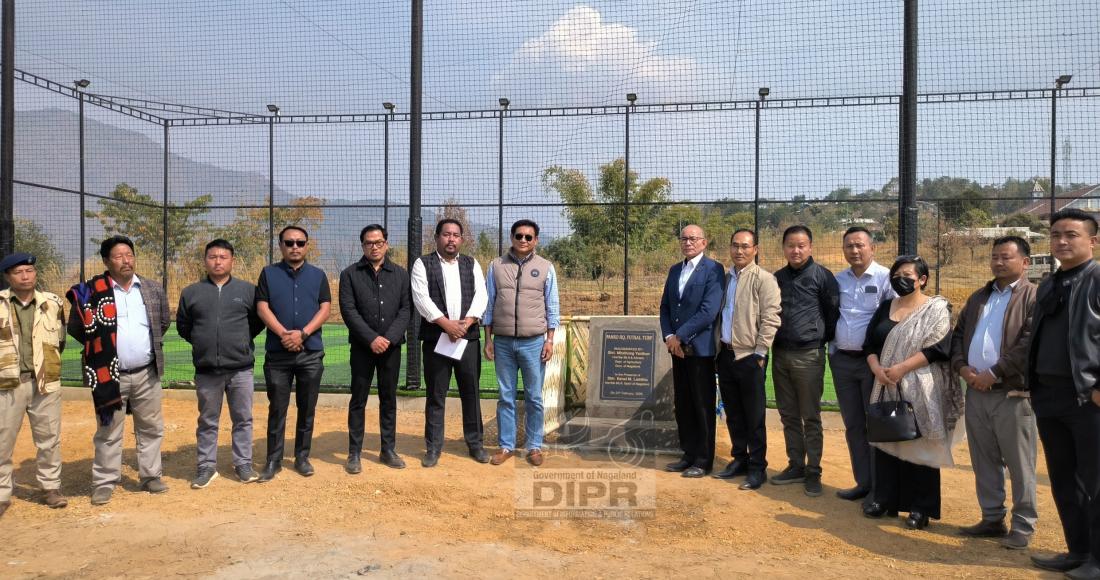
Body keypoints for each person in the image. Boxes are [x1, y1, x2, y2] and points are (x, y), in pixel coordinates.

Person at [67, 235, 171, 506]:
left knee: (151, 427)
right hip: (108, 375)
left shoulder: (151, 289)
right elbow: (77, 328)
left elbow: (162, 323)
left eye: (129, 255)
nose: (126, 260)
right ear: (106, 261)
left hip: (146, 372)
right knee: (108, 430)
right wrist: (102, 350)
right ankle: (104, 481)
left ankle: (151, 476)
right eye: (118, 256)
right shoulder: (91, 293)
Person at [950, 236, 1038, 550]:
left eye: (1006, 257)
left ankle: (1023, 526)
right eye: (995, 257)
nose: (998, 262)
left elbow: (1028, 343)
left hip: (1011, 393)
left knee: (1020, 462)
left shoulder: (1033, 297)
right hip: (976, 391)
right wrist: (963, 369)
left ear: (1025, 262)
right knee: (983, 458)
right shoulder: (978, 297)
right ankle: (992, 518)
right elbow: (958, 336)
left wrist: (994, 372)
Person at [861, 255, 961, 530]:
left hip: (920, 385)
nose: (900, 280)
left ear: (922, 279)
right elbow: (869, 344)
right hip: (885, 384)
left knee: (921, 445)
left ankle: (921, 507)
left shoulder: (935, 309)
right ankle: (885, 500)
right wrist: (878, 369)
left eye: (907, 275)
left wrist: (902, 368)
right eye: (896, 275)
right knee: (888, 440)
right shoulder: (886, 307)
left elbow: (938, 348)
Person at [1026, 209, 1100, 578]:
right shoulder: (1049, 283)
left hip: (1087, 398)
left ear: (1093, 240)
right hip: (1049, 395)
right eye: (1056, 234)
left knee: (1096, 482)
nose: (1061, 241)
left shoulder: (1097, 278)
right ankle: (1078, 550)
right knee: (1064, 479)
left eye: (1071, 234)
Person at [177, 239, 265, 488]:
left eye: (223, 257)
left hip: (240, 368)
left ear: (232, 261)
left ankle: (243, 464)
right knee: (207, 420)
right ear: (205, 260)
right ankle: (206, 466)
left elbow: (256, 323)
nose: (218, 261)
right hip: (207, 370)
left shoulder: (248, 291)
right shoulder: (191, 292)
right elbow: (184, 326)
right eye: (212, 257)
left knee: (243, 419)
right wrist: (202, 341)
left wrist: (239, 342)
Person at [410, 219, 489, 467]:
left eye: (456, 235)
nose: (451, 239)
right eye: (446, 234)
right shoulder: (422, 264)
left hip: (467, 338)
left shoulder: (471, 263)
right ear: (437, 237)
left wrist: (466, 323)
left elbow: (481, 295)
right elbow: (421, 299)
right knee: (436, 395)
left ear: (461, 239)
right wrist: (447, 325)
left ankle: (475, 444)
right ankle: (433, 447)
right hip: (437, 339)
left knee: (471, 393)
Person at [255, 226, 332, 482]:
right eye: (289, 243)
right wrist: (284, 335)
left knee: (306, 407)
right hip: (278, 354)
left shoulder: (318, 275)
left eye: (300, 242)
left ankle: (302, 457)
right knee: (277, 408)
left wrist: (303, 334)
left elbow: (325, 308)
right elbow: (262, 307)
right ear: (281, 246)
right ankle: (273, 460)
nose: (295, 247)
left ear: (307, 245)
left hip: (310, 353)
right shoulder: (268, 273)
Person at [484, 219, 560, 467]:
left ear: (536, 240)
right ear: (512, 238)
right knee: (505, 396)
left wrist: (550, 340)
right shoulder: (496, 266)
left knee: (534, 397)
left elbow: (552, 306)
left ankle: (534, 446)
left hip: (534, 342)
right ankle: (506, 446)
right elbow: (489, 304)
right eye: (519, 236)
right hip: (503, 342)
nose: (523, 240)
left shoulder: (546, 267)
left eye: (529, 237)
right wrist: (488, 339)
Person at [771, 225, 840, 496]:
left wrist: (817, 338)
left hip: (809, 355)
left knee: (810, 416)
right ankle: (796, 465)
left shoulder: (822, 276)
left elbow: (832, 313)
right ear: (784, 248)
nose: (796, 250)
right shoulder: (777, 278)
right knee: (788, 414)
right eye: (790, 245)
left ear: (810, 247)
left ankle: (814, 470)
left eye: (801, 245)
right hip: (780, 354)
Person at [712, 229, 782, 490]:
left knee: (754, 416)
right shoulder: (725, 278)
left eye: (745, 246)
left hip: (750, 357)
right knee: (733, 413)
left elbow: (771, 318)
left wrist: (760, 353)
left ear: (755, 249)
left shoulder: (764, 279)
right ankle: (739, 458)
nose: (739, 251)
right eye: (735, 245)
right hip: (725, 354)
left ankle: (757, 467)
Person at [831, 226, 895, 503]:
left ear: (873, 248)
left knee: (876, 425)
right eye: (849, 246)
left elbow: (894, 318)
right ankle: (863, 483)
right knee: (854, 425)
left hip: (873, 364)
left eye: (860, 245)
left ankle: (880, 489)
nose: (854, 250)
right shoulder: (837, 280)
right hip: (842, 362)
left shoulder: (886, 279)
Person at [339, 224, 411, 472]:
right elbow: (349, 310)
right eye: (369, 243)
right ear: (363, 246)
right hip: (362, 348)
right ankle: (354, 453)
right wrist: (371, 338)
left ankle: (388, 450)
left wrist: (388, 338)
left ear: (386, 244)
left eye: (379, 242)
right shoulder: (349, 274)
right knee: (358, 399)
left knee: (388, 399)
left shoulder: (401, 274)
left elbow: (406, 310)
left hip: (391, 348)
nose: (374, 247)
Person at [0, 253, 67, 517]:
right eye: (18, 272)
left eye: (29, 271)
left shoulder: (53, 303)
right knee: (3, 441)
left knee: (49, 439)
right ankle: (2, 493)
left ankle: (51, 488)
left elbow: (60, 340)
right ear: (8, 277)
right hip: (8, 384)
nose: (25, 276)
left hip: (44, 382)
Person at [659, 224, 725, 478]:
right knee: (683, 403)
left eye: (693, 239)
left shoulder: (714, 270)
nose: (688, 242)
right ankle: (688, 454)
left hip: (700, 349)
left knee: (702, 405)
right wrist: (669, 337)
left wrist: (680, 336)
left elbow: (708, 311)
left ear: (704, 243)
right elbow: (665, 306)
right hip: (677, 350)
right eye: (684, 238)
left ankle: (703, 459)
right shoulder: (675, 270)